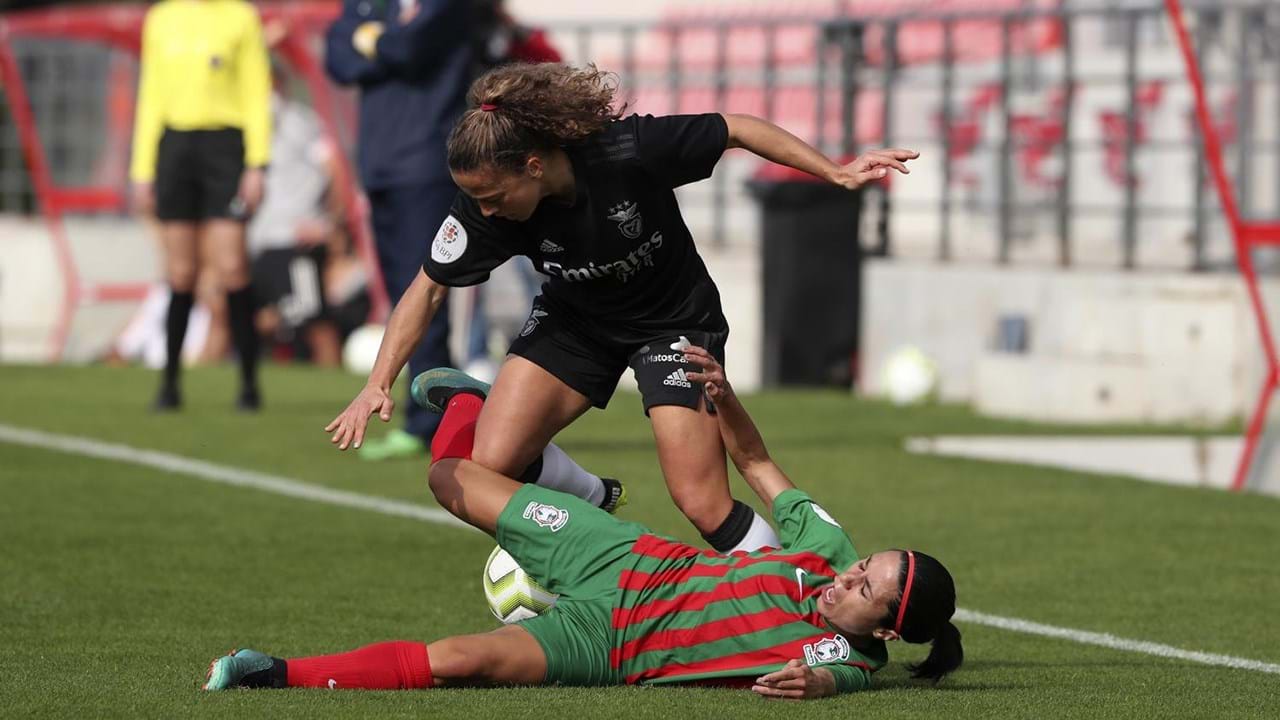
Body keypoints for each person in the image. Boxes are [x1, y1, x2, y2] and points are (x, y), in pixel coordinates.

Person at [326, 61, 919, 554]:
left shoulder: (628, 151)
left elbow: (736, 128)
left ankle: (783, 595)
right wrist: (378, 382)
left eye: (491, 195)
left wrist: (835, 173)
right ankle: (589, 497)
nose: (482, 212)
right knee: (492, 467)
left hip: (673, 324)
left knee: (702, 503)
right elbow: (426, 287)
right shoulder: (488, 209)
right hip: (576, 322)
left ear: (533, 166)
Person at [206, 348, 962, 697]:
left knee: (458, 661)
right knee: (448, 477)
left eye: (869, 586)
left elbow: (831, 676)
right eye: (870, 563)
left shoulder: (852, 659)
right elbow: (759, 466)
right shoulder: (827, 549)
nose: (852, 574)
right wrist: (724, 396)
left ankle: (267, 671)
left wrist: (812, 685)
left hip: (612, 646)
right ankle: (530, 449)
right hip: (629, 560)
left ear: (888, 631)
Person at [324, 0, 471, 460]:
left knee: (425, 293)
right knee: (400, 295)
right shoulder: (374, 4)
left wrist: (368, 39)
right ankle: (436, 414)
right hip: (381, 166)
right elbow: (337, 59)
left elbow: (408, 50)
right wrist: (378, 41)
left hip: (426, 163)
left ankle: (430, 420)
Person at [130, 0, 271, 411]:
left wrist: (257, 163)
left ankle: (248, 383)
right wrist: (142, 169)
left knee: (231, 267)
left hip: (226, 148)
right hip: (174, 149)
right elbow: (151, 95)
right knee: (181, 272)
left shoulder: (241, 17)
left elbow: (254, 94)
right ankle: (170, 385)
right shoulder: (161, 18)